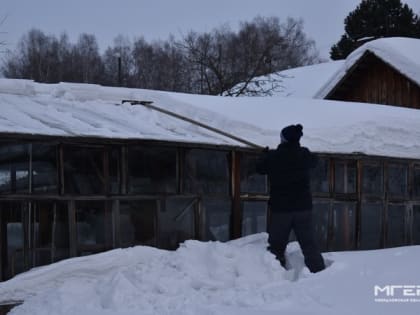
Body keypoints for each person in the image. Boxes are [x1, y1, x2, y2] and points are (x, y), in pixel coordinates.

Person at [256, 123, 325, 273]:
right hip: (303, 209)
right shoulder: (304, 154)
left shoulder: (275, 157)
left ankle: (276, 274)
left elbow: (259, 168)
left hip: (282, 210)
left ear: (284, 139)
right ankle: (319, 272)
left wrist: (264, 156)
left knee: (277, 245)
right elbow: (315, 161)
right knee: (309, 244)